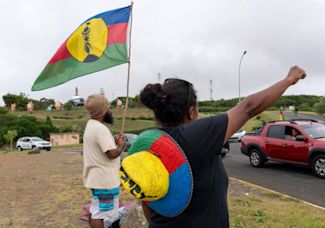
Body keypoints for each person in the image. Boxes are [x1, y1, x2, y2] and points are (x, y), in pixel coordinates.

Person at [135, 66, 306, 227]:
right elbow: (248, 108)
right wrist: (289, 79)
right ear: (191, 111)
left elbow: (146, 200)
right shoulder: (194, 137)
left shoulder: (145, 144)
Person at [83, 94, 126, 228]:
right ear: (103, 111)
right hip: (105, 181)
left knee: (97, 209)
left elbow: (103, 148)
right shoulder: (100, 129)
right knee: (101, 214)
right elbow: (111, 154)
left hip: (98, 179)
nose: (110, 111)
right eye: (109, 108)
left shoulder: (91, 125)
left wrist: (113, 142)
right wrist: (121, 147)